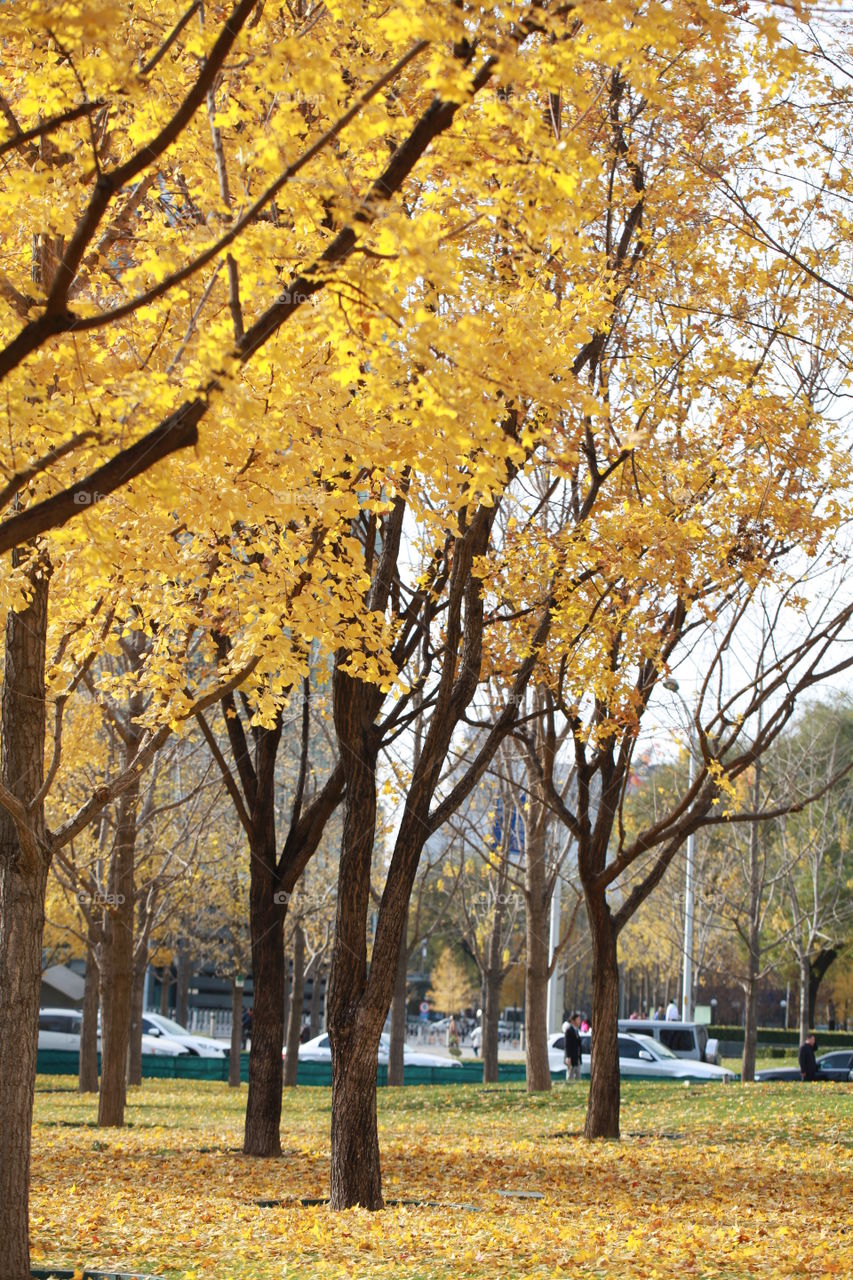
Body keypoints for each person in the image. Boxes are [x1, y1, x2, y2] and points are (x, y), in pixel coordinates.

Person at [563, 1012, 582, 1081]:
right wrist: (568, 1057)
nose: (579, 1021)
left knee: (578, 1076)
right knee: (570, 1076)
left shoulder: (576, 1030)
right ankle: (568, 1089)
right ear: (573, 1021)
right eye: (578, 1019)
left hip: (577, 1057)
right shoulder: (569, 1030)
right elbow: (567, 1045)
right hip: (571, 1058)